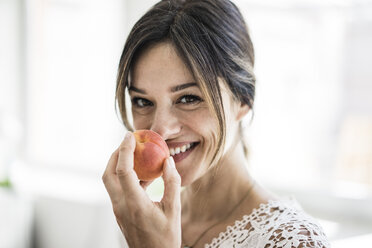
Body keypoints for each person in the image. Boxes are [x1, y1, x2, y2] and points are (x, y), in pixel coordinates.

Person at [102, 0, 330, 247]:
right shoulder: (143, 220)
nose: (160, 131)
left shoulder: (292, 241)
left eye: (188, 98)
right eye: (143, 101)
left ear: (243, 99)